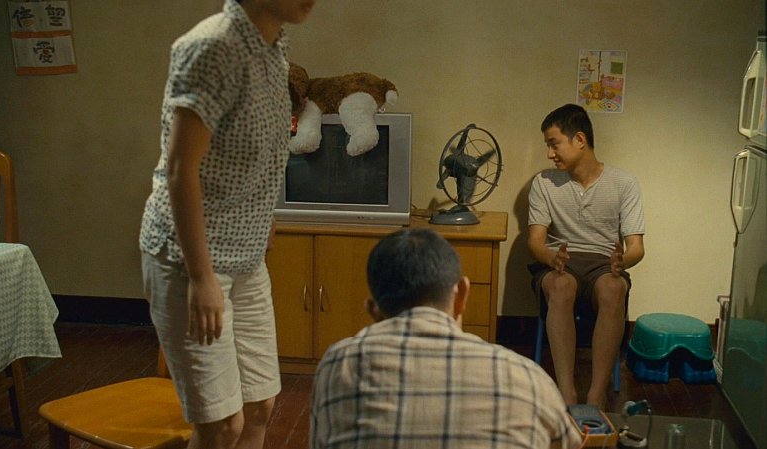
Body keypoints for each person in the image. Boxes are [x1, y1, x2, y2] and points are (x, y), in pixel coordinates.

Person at [139, 1, 315, 448]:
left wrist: (264, 213)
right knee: (221, 426)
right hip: (192, 259)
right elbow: (181, 169)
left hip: (247, 255)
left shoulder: (274, 47)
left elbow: (257, 149)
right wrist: (201, 277)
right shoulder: (213, 47)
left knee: (260, 406)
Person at [310, 228, 582, 449]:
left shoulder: (338, 364)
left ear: (373, 311)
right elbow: (568, 442)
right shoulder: (526, 376)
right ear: (462, 294)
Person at [527, 103, 645, 410]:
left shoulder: (624, 182)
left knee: (613, 288)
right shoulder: (544, 183)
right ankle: (566, 392)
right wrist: (550, 257)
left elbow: (636, 246)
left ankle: (597, 393)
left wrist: (623, 261)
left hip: (603, 264)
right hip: (559, 262)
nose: (550, 154)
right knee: (561, 286)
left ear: (579, 139)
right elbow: (535, 243)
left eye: (554, 144)